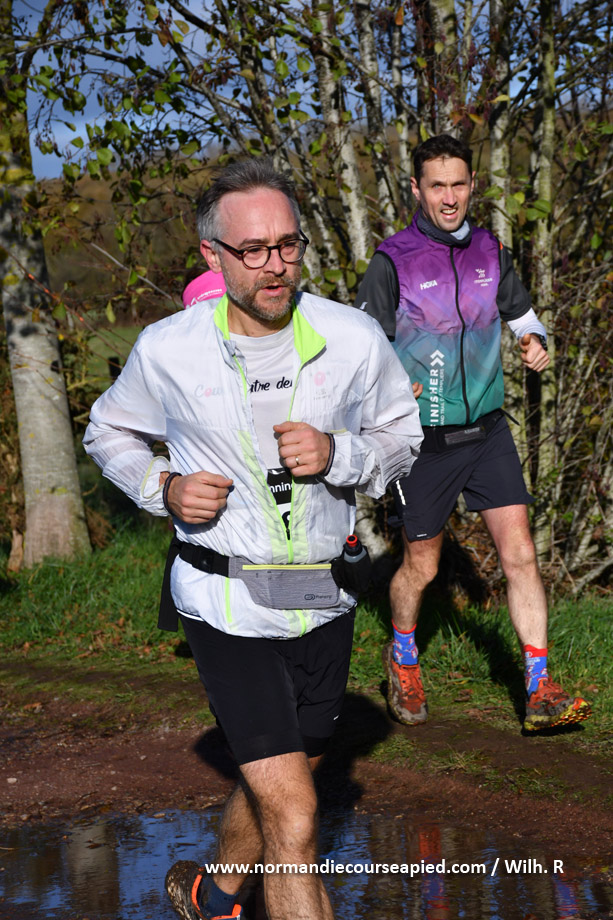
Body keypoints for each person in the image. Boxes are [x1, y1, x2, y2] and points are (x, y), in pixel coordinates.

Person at [83, 158, 422, 920]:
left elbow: (401, 436)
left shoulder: (350, 336)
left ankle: (217, 893)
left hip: (325, 596)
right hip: (224, 599)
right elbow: (108, 432)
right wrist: (164, 488)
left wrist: (340, 454)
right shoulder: (169, 349)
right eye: (254, 250)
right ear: (212, 254)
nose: (276, 265)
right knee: (296, 817)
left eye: (288, 245)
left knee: (286, 777)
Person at [354, 133, 591, 734]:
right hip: (423, 441)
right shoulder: (392, 261)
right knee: (423, 567)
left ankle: (539, 685)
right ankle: (402, 654)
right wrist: (389, 389)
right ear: (416, 189)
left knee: (521, 554)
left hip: (487, 432)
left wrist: (534, 341)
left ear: (472, 185)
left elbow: (523, 314)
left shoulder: (490, 249)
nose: (450, 197)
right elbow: (362, 350)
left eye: (459, 184)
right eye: (437, 186)